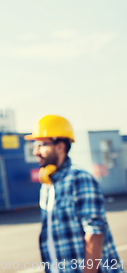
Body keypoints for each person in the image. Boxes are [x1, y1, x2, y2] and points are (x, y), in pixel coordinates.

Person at [25, 115, 124, 273]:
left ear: (60, 146)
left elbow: (95, 233)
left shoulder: (79, 178)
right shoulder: (47, 186)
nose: (36, 151)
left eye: (42, 145)